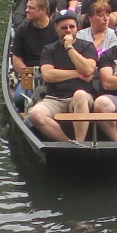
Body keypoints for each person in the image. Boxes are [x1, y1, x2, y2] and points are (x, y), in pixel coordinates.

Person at [26, 14, 100, 142]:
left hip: (80, 99)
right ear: (56, 28)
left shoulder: (87, 46)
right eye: (64, 27)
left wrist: (69, 48)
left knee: (80, 95)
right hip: (55, 98)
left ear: (77, 27)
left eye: (72, 27)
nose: (68, 30)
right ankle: (69, 144)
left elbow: (88, 69)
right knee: (35, 113)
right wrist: (78, 74)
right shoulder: (49, 49)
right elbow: (48, 75)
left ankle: (80, 142)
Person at [9, 0, 61, 98]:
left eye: (31, 8)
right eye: (27, 7)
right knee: (19, 98)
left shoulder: (56, 30)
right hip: (29, 74)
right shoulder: (23, 30)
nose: (26, 10)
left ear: (43, 10)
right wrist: (26, 74)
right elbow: (17, 59)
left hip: (52, 74)